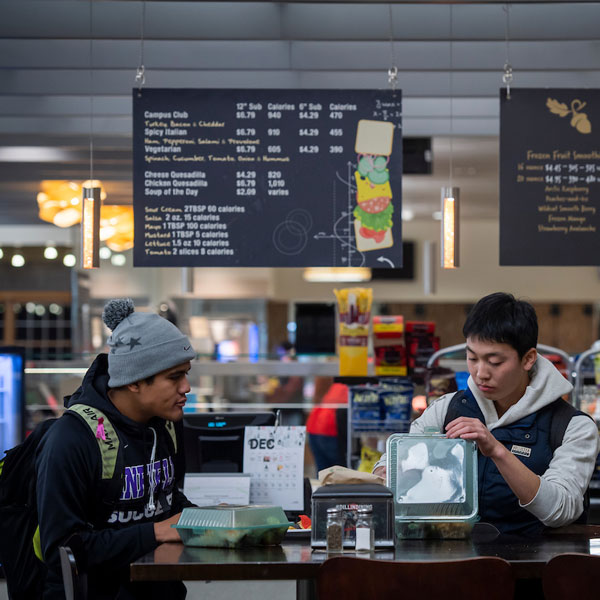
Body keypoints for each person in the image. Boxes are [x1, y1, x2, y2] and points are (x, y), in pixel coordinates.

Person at [373, 292, 600, 535]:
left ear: (528, 359)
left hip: (532, 567)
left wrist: (497, 450)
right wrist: (386, 475)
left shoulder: (572, 427)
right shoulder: (445, 409)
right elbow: (391, 464)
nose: (481, 372)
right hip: (451, 561)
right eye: (472, 358)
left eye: (495, 361)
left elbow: (561, 509)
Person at [36, 298, 197, 599]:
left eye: (186, 373)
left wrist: (208, 521)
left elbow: (168, 501)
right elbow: (63, 549)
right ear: (135, 381)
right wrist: (155, 532)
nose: (186, 387)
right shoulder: (71, 439)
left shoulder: (167, 424)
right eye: (174, 376)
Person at [306, 376, 348, 474]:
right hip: (330, 428)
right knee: (340, 474)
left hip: (315, 424)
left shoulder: (341, 381)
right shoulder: (354, 381)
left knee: (323, 473)